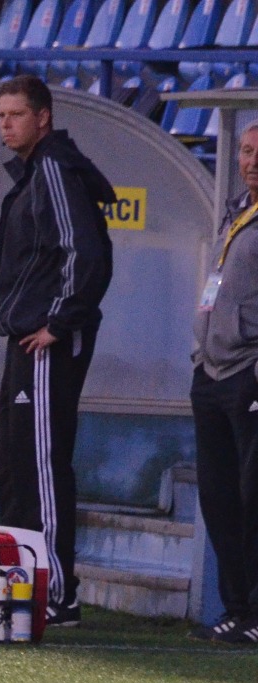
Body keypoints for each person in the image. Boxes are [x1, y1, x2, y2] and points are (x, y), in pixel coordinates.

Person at [0, 75, 114, 627]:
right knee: (16, 463)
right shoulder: (36, 171)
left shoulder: (55, 169)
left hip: (46, 341)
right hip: (26, 338)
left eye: (16, 114)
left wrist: (59, 323)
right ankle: (27, 581)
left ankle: (57, 592)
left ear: (43, 117)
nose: (6, 124)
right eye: (1, 115)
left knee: (41, 465)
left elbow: (84, 253)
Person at [188, 120, 258, 645]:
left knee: (253, 497)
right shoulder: (236, 212)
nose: (252, 161)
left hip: (248, 371)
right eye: (247, 151)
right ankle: (236, 608)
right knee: (219, 497)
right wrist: (199, 356)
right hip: (211, 372)